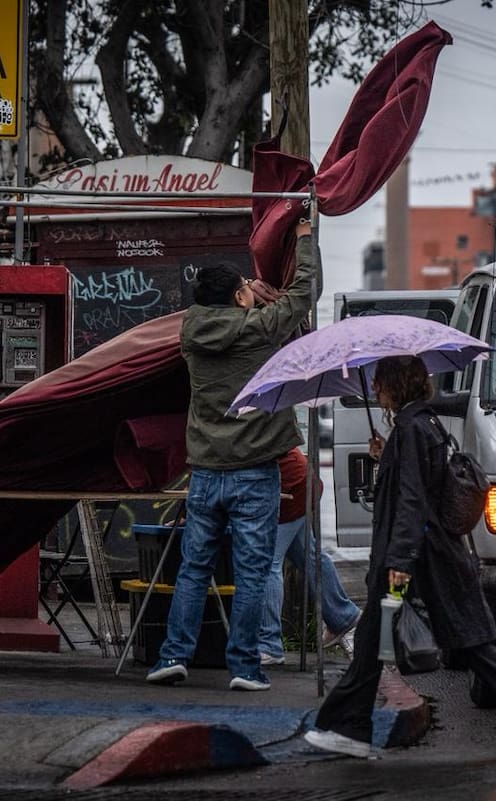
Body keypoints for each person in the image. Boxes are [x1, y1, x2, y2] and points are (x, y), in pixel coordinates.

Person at [304, 355, 496, 757]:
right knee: (405, 641)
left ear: (398, 385)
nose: (375, 390)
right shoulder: (423, 424)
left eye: (381, 382)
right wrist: (384, 456)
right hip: (430, 558)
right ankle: (349, 727)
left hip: (412, 561)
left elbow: (411, 502)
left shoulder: (410, 429)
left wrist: (398, 566)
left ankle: (346, 728)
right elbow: (420, 486)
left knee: (392, 640)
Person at [146, 218, 320, 691]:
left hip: (204, 473)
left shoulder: (189, 333)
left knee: (193, 568)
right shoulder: (256, 329)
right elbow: (304, 294)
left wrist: (249, 298)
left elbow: (235, 314)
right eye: (244, 286)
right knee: (251, 572)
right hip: (254, 473)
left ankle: (172, 656)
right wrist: (304, 240)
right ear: (237, 297)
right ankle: (244, 667)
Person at [259, 446, 360, 665]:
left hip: (287, 489)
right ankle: (343, 617)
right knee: (309, 554)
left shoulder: (240, 421)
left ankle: (269, 644)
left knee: (267, 564)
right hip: (299, 481)